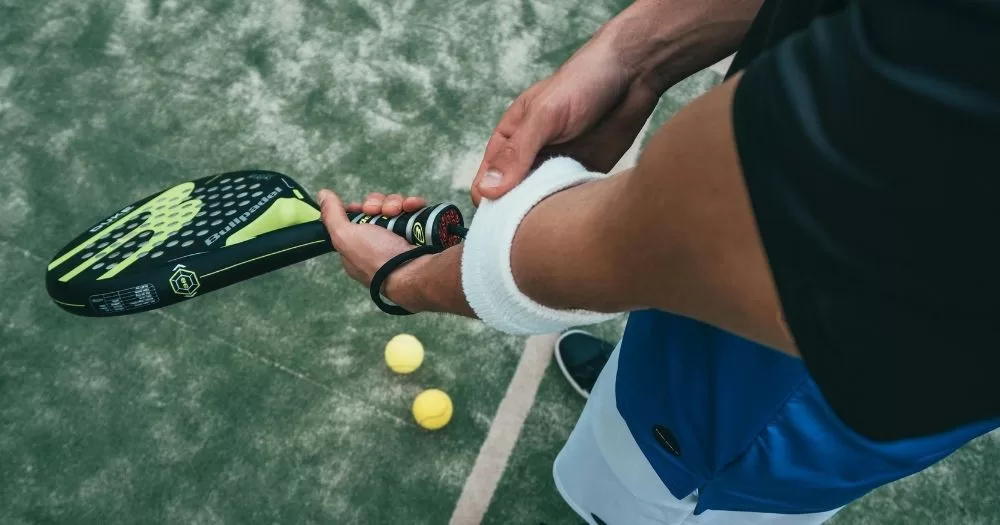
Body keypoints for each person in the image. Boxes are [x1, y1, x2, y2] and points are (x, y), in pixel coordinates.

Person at [316, 0, 1000, 523]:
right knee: (650, 373)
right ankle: (637, 391)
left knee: (663, 490)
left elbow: (677, 235)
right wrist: (632, 53)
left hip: (778, 397)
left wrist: (403, 279)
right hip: (758, 292)